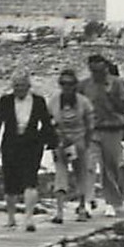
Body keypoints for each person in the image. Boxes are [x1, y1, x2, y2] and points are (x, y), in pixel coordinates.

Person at [0, 71, 55, 231]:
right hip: (10, 144)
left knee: (30, 180)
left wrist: (48, 141)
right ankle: (11, 218)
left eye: (22, 85)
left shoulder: (39, 101)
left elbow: (46, 123)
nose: (19, 89)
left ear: (28, 86)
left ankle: (29, 218)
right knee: (10, 182)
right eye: (16, 85)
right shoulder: (5, 101)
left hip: (32, 145)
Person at [79, 54, 124, 216]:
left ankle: (111, 202)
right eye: (93, 70)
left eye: (100, 70)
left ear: (106, 68)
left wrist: (111, 94)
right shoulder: (84, 85)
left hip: (112, 129)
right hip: (91, 131)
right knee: (88, 166)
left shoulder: (117, 84)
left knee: (110, 167)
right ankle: (87, 201)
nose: (97, 74)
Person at [48, 68, 96, 223]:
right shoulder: (54, 101)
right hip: (61, 142)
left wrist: (86, 143)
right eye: (63, 84)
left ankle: (82, 208)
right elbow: (48, 122)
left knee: (81, 175)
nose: (66, 87)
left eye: (69, 84)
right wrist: (53, 142)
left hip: (79, 141)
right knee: (60, 176)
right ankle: (60, 212)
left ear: (74, 85)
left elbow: (90, 125)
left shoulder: (83, 102)